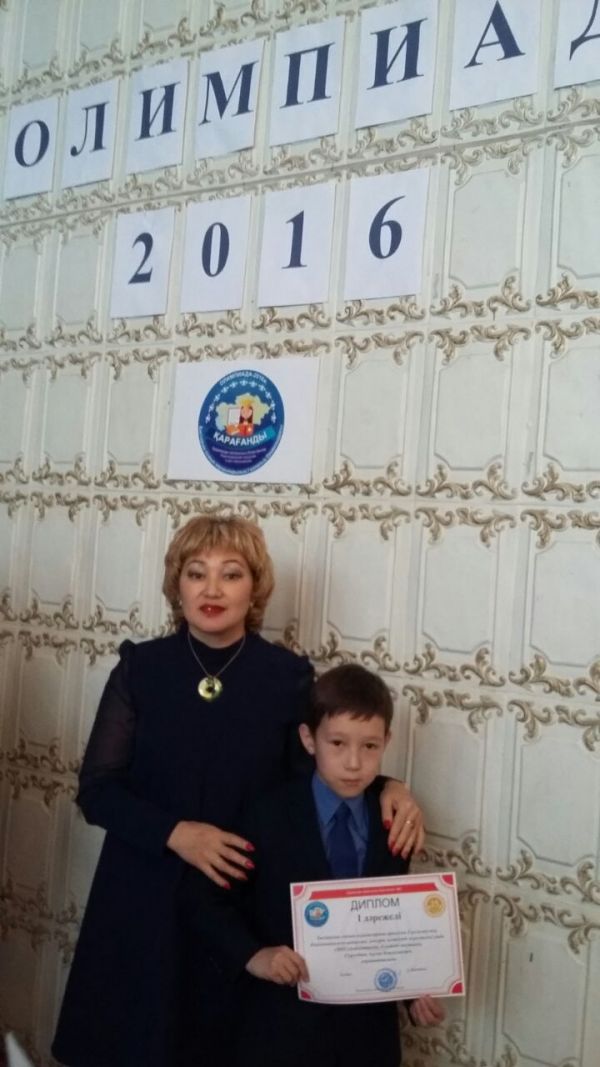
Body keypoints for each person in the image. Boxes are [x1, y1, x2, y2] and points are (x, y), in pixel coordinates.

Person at [52, 516, 425, 1067]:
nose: (212, 589)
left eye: (230, 574)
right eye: (196, 573)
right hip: (144, 896)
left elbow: (318, 775)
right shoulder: (140, 667)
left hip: (240, 907)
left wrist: (391, 785)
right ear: (177, 585)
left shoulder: (287, 676)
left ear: (255, 589)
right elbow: (98, 789)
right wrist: (178, 834)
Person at [187, 663, 445, 1067]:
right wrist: (256, 956)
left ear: (387, 742)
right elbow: (205, 902)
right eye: (337, 743)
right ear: (309, 739)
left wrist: (413, 993)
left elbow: (391, 924)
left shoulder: (394, 822)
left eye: (370, 746)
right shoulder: (267, 815)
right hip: (279, 1032)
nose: (354, 763)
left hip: (367, 1039)